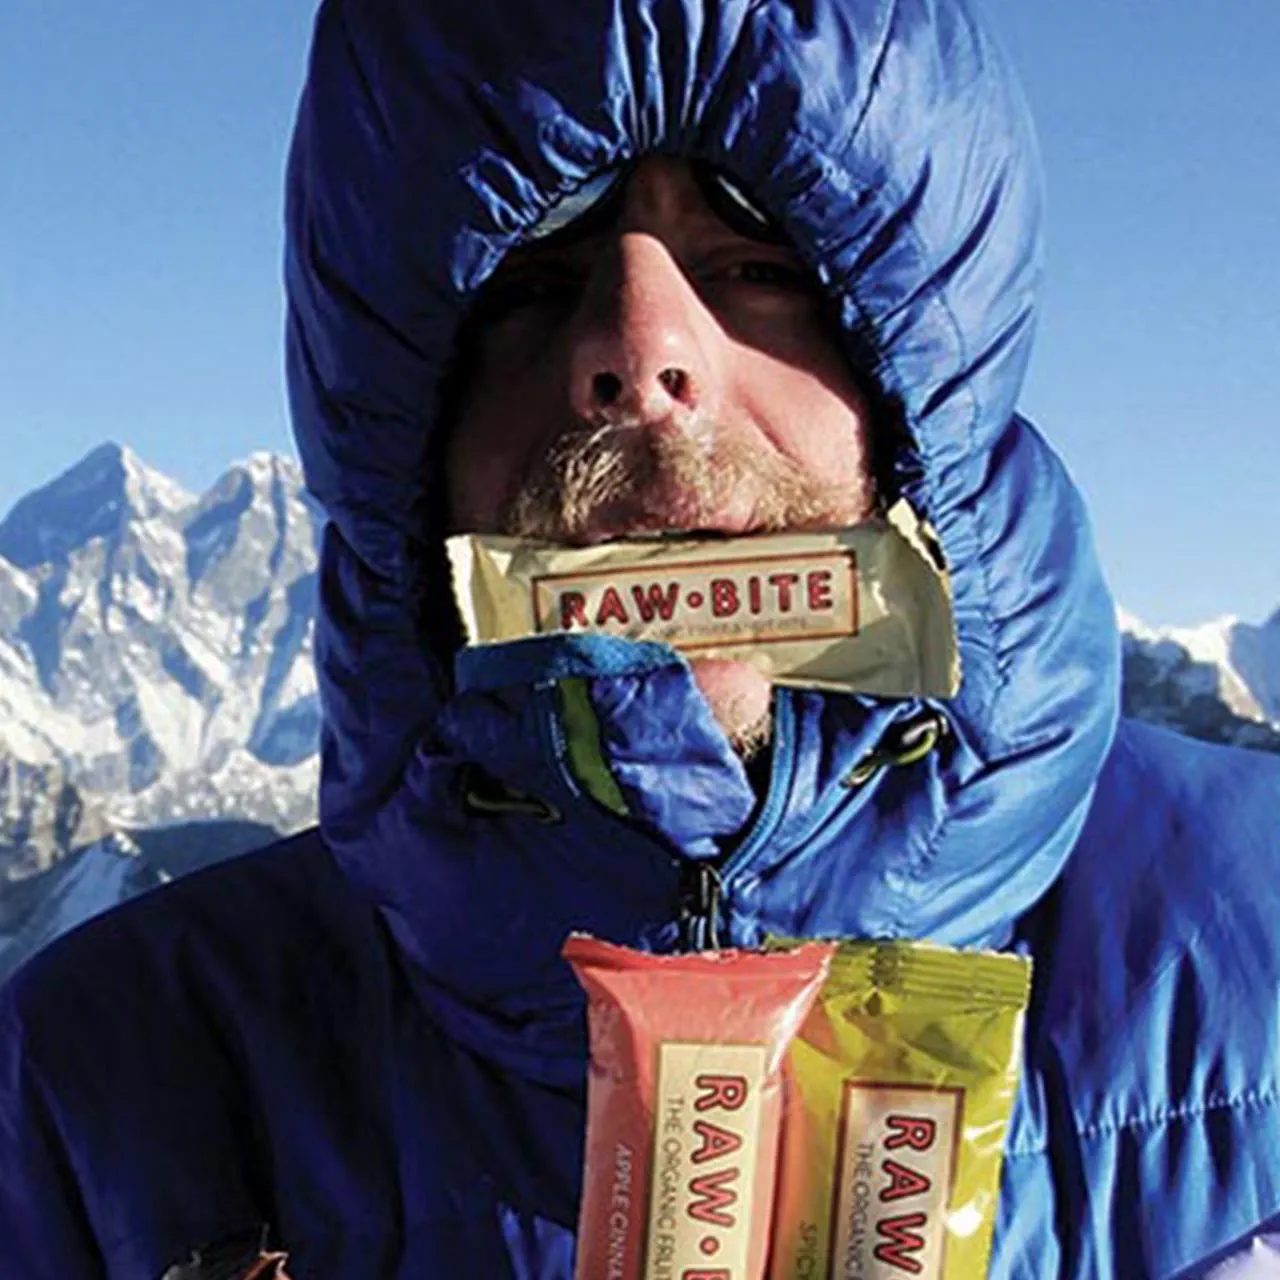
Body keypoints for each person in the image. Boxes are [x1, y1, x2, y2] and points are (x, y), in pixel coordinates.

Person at [3, 0, 1279, 1275]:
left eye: (762, 271)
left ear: (932, 376)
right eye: (528, 285)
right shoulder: (99, 1091)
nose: (639, 348)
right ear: (392, 422)